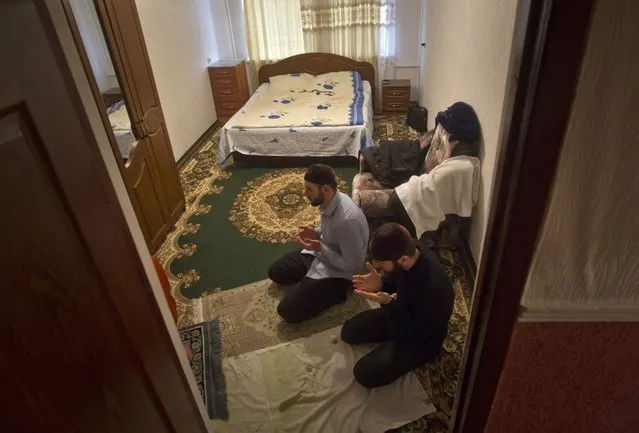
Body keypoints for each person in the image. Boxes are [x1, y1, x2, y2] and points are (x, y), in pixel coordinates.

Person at [341, 222, 454, 388]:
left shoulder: (435, 290)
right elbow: (397, 283)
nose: (377, 266)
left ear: (403, 260)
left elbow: (412, 334)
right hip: (401, 310)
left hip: (421, 337)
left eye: (381, 263)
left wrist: (389, 303)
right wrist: (381, 284)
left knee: (363, 373)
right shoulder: (410, 250)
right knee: (348, 331)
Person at [268, 164, 369, 323]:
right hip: (321, 252)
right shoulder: (329, 200)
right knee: (275, 272)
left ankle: (334, 292)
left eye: (309, 189)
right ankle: (310, 282)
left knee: (287, 311)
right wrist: (315, 232)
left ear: (326, 190)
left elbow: (354, 267)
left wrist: (320, 247)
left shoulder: (348, 221)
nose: (305, 193)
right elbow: (328, 227)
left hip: (340, 273)